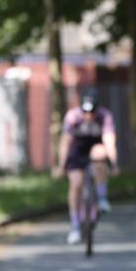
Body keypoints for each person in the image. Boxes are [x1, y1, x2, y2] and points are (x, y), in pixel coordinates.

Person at [54, 90, 119, 245]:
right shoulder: (72, 117)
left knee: (100, 154)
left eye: (92, 112)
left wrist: (114, 164)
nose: (88, 116)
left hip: (95, 146)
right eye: (85, 112)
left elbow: (109, 142)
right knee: (76, 184)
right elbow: (65, 143)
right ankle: (75, 226)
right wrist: (61, 165)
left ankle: (102, 197)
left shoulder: (105, 117)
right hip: (77, 150)